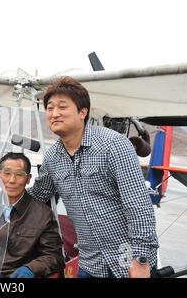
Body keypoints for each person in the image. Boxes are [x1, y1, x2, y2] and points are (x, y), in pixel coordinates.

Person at [28, 76, 159, 278]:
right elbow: (37, 196)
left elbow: (138, 205)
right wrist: (3, 197)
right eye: (50, 108)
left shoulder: (113, 145)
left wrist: (142, 260)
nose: (54, 114)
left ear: (82, 112)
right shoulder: (53, 157)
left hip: (127, 261)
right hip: (90, 264)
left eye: (62, 107)